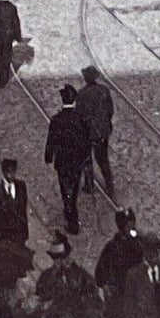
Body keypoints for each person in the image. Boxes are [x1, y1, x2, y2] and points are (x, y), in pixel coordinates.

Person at [45, 84, 93, 235]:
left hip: (62, 161)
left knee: (65, 188)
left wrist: (48, 156)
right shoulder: (81, 119)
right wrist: (86, 158)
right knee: (75, 186)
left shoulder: (56, 120)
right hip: (77, 161)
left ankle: (71, 216)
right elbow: (87, 141)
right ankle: (71, 211)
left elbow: (51, 141)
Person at [76, 64, 116, 196]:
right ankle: (109, 185)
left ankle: (89, 184)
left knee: (87, 159)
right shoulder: (104, 90)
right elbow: (110, 110)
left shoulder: (81, 95)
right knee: (103, 159)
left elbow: (79, 115)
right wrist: (105, 124)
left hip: (88, 132)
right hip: (103, 131)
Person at [0, 157, 30, 244]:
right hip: (1, 236)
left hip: (18, 234)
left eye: (12, 172)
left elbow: (23, 209)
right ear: (3, 172)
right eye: (7, 172)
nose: (9, 175)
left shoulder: (21, 186)